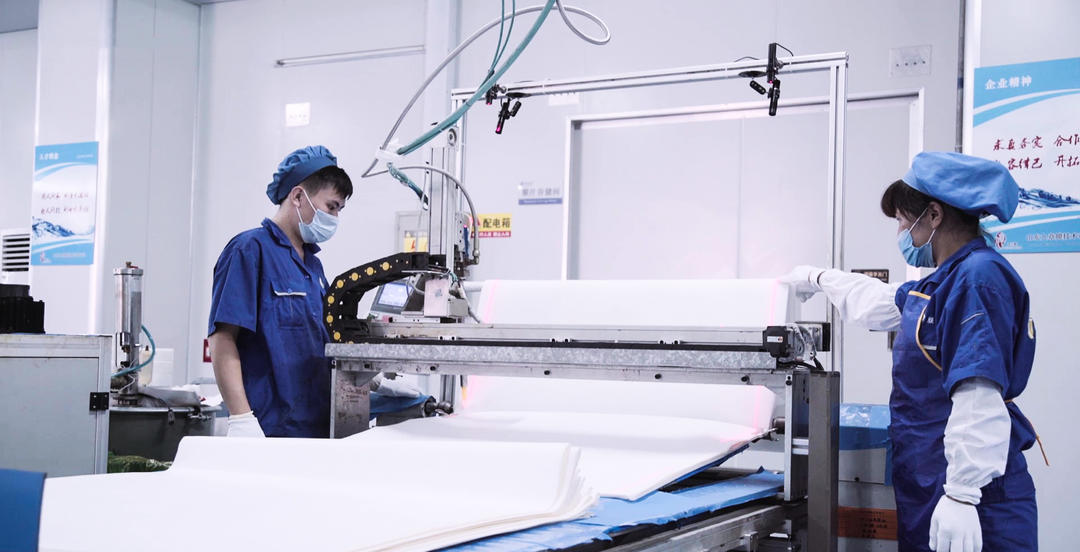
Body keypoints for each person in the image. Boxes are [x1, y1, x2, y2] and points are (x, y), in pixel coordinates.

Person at [782, 152, 1039, 552]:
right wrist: (818, 278)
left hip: (975, 497)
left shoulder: (978, 278)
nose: (902, 232)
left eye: (904, 220)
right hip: (930, 478)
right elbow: (886, 302)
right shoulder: (945, 280)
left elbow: (978, 389)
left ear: (934, 215)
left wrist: (962, 494)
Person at [207, 145, 351, 438]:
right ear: (298, 196)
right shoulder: (249, 250)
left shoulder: (313, 266)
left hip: (315, 425)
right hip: (269, 428)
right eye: (331, 206)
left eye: (339, 210)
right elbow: (222, 338)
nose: (335, 217)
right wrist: (241, 417)